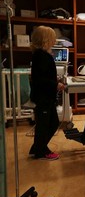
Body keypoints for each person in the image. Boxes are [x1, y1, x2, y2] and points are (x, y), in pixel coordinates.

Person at [29, 26, 65, 160]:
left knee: (51, 123)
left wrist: (55, 81)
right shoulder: (41, 56)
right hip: (43, 97)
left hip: (46, 97)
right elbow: (40, 79)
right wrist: (56, 84)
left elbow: (44, 75)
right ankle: (41, 151)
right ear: (46, 39)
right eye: (53, 37)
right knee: (46, 125)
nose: (55, 39)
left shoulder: (42, 55)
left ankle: (37, 148)